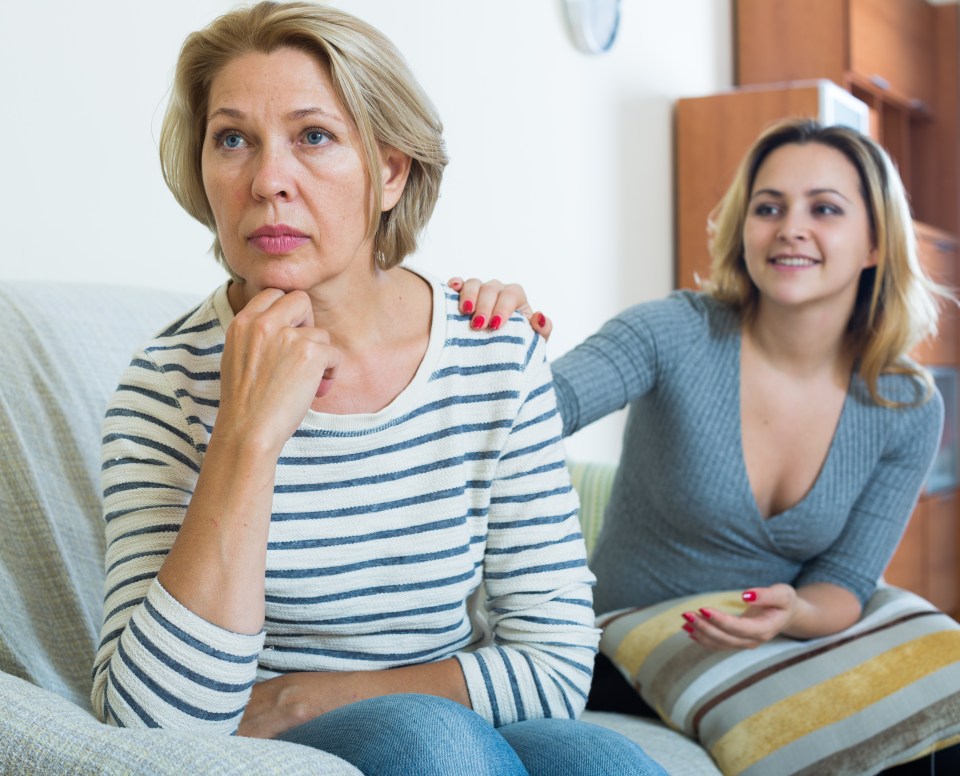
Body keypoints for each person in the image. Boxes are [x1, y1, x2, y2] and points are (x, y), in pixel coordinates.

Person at [89, 4, 667, 775]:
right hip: (282, 753)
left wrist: (309, 696)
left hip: (425, 721)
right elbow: (149, 723)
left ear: (391, 171)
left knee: (603, 759)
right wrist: (246, 437)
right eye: (233, 139)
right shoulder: (165, 387)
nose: (268, 181)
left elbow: (558, 666)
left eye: (314, 136)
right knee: (429, 742)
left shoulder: (494, 353)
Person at [452, 118, 960, 772]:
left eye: (824, 209)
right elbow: (534, 415)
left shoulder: (905, 404)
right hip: (622, 653)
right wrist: (501, 346)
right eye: (768, 207)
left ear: (874, 244)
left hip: (770, 648)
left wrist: (794, 612)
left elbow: (845, 583)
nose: (790, 228)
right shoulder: (671, 333)